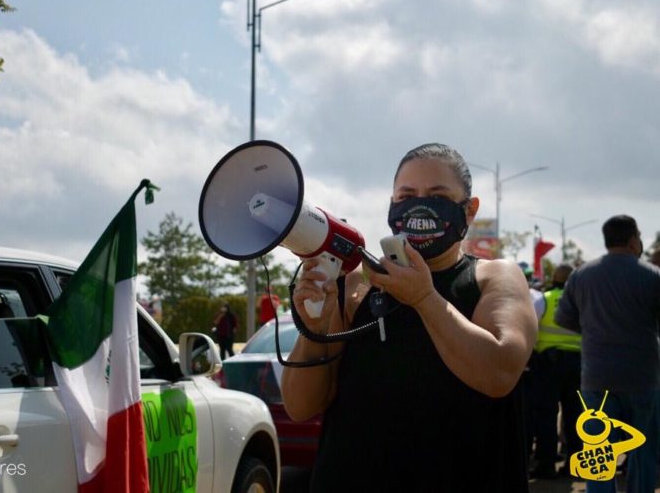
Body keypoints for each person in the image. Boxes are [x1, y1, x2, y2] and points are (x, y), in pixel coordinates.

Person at [281, 143, 538, 492]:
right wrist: (313, 329)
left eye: (437, 194)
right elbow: (300, 406)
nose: (420, 203)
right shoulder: (357, 285)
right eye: (407, 194)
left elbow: (499, 372)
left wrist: (424, 298)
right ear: (391, 203)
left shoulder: (494, 277)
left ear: (470, 209)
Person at [556, 215, 660, 493]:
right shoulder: (651, 275)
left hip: (596, 378)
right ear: (632, 240)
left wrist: (593, 328)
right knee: (644, 448)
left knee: (599, 452)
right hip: (643, 378)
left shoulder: (581, 275)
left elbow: (562, 318)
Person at [529, 264, 582, 479]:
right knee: (575, 417)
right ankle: (575, 467)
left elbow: (530, 327)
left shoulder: (545, 299)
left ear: (554, 279)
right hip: (579, 364)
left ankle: (546, 464)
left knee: (546, 415)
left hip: (548, 365)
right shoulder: (583, 302)